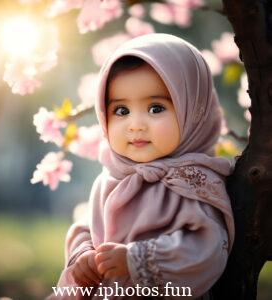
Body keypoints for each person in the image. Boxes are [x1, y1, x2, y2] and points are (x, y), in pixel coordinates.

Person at [47, 33, 235, 300]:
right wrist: (85, 254)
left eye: (156, 108)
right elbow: (91, 225)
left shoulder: (192, 182)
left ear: (193, 110)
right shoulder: (111, 175)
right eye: (121, 111)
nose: (135, 125)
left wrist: (136, 259)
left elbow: (207, 248)